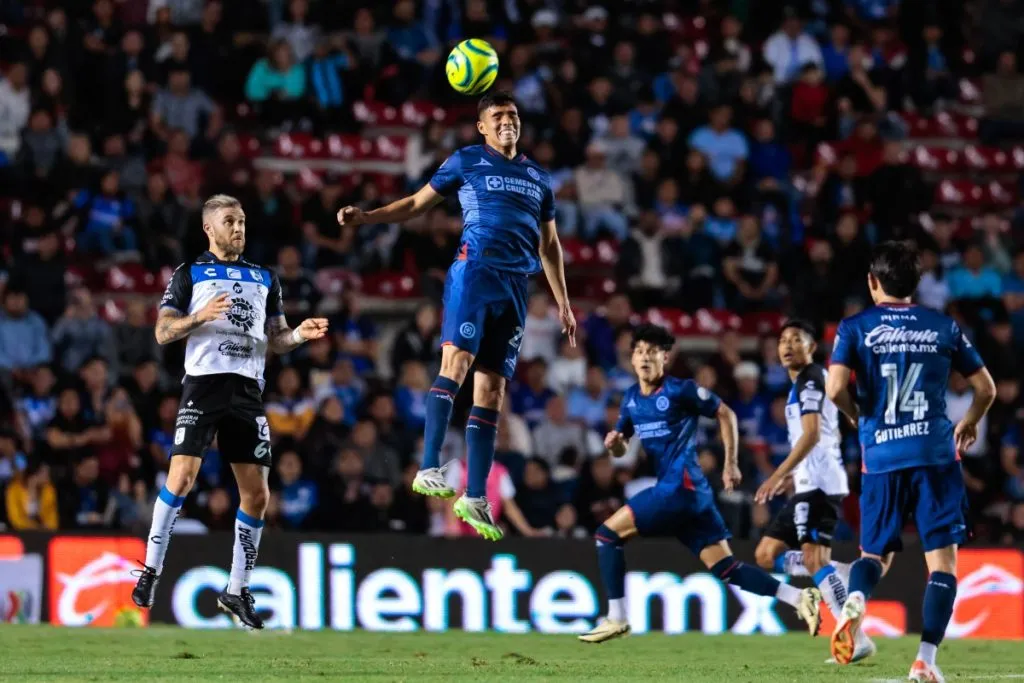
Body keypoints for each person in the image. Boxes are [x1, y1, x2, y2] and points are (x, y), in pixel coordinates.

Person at [336, 91, 575, 541]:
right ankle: (427, 466)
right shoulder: (466, 160)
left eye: (513, 114)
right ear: (482, 127)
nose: (508, 121)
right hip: (475, 274)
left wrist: (562, 300)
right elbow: (414, 204)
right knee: (457, 365)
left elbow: (550, 245)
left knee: (492, 391)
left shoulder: (538, 177)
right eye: (498, 116)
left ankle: (475, 496)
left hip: (516, 287)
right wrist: (367, 218)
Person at [131, 194, 329, 630]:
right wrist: (199, 316)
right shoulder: (189, 274)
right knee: (181, 477)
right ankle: (150, 569)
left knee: (258, 495)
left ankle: (236, 590)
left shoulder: (265, 277)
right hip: (204, 385)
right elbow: (163, 332)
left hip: (246, 391)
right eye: (229, 221)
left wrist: (298, 334)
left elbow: (275, 339)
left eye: (241, 220)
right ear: (209, 228)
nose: (238, 228)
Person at [578, 324, 822, 643]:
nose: (645, 358)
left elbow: (727, 415)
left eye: (653, 352)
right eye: (639, 351)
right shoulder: (631, 398)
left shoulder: (681, 390)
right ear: (632, 358)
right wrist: (616, 445)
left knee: (606, 536)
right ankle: (800, 598)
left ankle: (617, 617)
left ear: (665, 357)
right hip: (691, 496)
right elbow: (623, 444)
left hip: (679, 488)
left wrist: (730, 462)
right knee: (727, 568)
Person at [826, 241, 995, 681]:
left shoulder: (854, 327)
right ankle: (925, 661)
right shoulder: (943, 326)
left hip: (880, 454)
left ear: (872, 282)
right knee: (942, 562)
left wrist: (856, 416)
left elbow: (834, 388)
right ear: (916, 284)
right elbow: (987, 389)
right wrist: (971, 421)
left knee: (874, 553)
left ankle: (858, 597)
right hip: (935, 455)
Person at [752, 319, 875, 663]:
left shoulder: (810, 378)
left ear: (812, 348)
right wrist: (793, 476)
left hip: (820, 484)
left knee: (811, 558)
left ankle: (856, 637)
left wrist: (779, 474)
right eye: (783, 340)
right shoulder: (799, 384)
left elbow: (811, 434)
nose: (787, 345)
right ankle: (839, 571)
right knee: (765, 554)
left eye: (797, 339)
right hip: (807, 483)